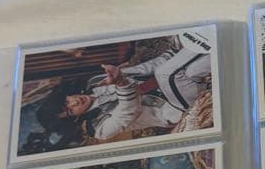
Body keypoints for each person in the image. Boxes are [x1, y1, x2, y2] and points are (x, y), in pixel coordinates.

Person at [35, 36, 212, 146]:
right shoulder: (99, 129)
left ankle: (220, 46)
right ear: (74, 118)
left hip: (178, 85)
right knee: (166, 74)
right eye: (70, 110)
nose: (75, 102)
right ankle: (210, 41)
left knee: (192, 70)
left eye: (67, 101)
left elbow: (143, 70)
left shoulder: (94, 82)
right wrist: (121, 83)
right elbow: (130, 110)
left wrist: (171, 53)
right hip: (174, 108)